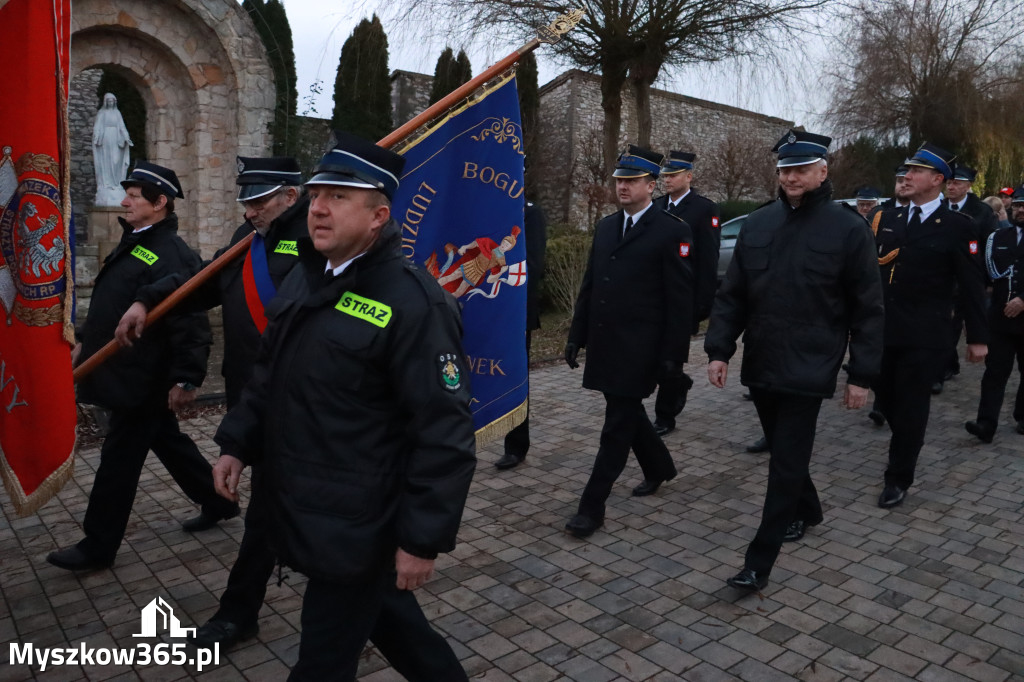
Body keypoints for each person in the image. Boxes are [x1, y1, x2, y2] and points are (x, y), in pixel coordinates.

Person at [210, 132, 476, 681]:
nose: (319, 208)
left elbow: (443, 431)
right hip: (304, 504)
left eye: (338, 196)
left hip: (360, 523)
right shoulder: (308, 278)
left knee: (321, 664)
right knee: (398, 629)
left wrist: (420, 539)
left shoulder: (414, 302)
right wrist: (237, 442)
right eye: (316, 194)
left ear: (378, 216)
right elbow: (270, 376)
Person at [115, 157, 309, 650]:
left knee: (299, 509)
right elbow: (201, 282)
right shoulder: (248, 242)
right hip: (256, 395)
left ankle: (385, 570)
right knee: (270, 510)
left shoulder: (316, 240)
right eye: (246, 202)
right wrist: (146, 301)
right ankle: (242, 611)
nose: (250, 211)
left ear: (291, 195)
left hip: (308, 403)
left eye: (260, 201)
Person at [705, 129, 884, 592]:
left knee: (784, 462)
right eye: (785, 170)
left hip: (812, 363)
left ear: (823, 171)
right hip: (762, 360)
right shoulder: (760, 224)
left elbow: (868, 308)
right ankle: (810, 507)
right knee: (786, 450)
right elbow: (733, 295)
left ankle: (758, 563)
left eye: (802, 169)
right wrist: (719, 349)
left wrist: (860, 375)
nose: (792, 177)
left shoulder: (848, 229)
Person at [47, 162, 238, 572]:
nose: (124, 201)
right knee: (168, 442)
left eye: (134, 195)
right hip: (123, 371)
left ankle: (98, 546)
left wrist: (187, 378)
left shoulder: (172, 253)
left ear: (161, 202)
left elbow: (190, 321)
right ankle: (219, 501)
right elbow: (111, 303)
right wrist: (84, 342)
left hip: (143, 377)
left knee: (118, 462)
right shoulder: (135, 240)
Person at [563, 145, 693, 539]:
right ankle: (659, 467)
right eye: (619, 180)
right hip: (606, 344)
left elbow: (679, 301)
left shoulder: (673, 231)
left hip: (641, 349)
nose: (622, 187)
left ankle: (591, 507)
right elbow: (591, 286)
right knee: (627, 410)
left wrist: (673, 359)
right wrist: (576, 335)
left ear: (651, 185)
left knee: (616, 426)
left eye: (632, 180)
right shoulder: (605, 227)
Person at [871, 143, 988, 510]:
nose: (905, 177)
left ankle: (898, 475)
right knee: (885, 397)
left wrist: (978, 338)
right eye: (905, 171)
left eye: (915, 172)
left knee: (911, 406)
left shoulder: (957, 226)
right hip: (882, 329)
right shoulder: (885, 219)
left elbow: (971, 285)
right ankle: (903, 437)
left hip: (925, 335)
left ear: (938, 180)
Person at [651, 150, 720, 437]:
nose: (667, 180)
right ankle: (679, 382)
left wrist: (702, 304)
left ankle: (665, 416)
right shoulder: (655, 206)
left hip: (683, 298)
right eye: (665, 175)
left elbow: (708, 260)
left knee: (670, 359)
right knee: (654, 358)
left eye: (673, 175)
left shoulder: (704, 209)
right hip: (653, 297)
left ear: (688, 177)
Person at [966, 188, 1024, 442]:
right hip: (1001, 318)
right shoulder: (999, 237)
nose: (1020, 210)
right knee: (994, 373)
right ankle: (985, 424)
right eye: (1017, 206)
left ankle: (1022, 416)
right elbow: (987, 274)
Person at [936, 164, 1000, 392]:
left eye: (957, 183)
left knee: (953, 323)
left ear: (968, 186)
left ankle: (939, 371)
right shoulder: (939, 207)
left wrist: (989, 280)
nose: (951, 187)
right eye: (950, 183)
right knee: (944, 323)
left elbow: (989, 245)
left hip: (969, 277)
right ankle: (947, 363)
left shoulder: (981, 211)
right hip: (941, 276)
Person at [496, 200, 547, 470]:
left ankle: (515, 445)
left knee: (515, 375)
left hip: (514, 310)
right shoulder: (485, 207)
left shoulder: (530, 212)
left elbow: (535, 264)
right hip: (483, 307)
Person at [92, 92, 133, 205]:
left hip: (116, 138)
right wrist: (96, 137)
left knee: (116, 161)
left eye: (112, 101)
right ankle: (107, 184)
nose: (110, 103)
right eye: (108, 101)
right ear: (106, 102)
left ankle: (116, 184)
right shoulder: (102, 113)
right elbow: (97, 127)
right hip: (106, 138)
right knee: (107, 160)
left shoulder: (117, 113)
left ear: (114, 102)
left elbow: (122, 127)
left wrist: (126, 137)